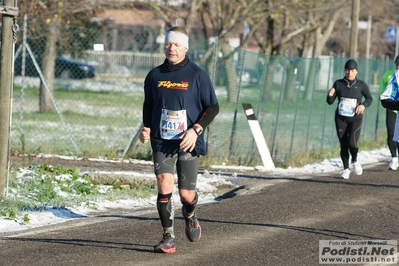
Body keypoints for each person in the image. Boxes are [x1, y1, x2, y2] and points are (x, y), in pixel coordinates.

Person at [139, 26, 219, 254]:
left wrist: (196, 129)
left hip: (187, 140)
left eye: (176, 44)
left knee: (186, 194)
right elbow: (149, 105)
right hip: (162, 139)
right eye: (168, 44)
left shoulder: (197, 75)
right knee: (164, 183)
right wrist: (145, 128)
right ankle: (168, 237)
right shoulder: (154, 75)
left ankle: (190, 213)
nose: (171, 48)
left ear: (185, 47)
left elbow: (213, 107)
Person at [326, 59, 373, 179]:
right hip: (341, 118)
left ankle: (355, 160)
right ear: (344, 71)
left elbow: (369, 98)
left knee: (352, 142)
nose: (349, 73)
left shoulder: (361, 85)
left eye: (352, 70)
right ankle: (346, 169)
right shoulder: (338, 83)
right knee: (344, 144)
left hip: (355, 118)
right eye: (347, 70)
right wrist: (330, 95)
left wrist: (363, 105)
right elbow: (330, 102)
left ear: (356, 71)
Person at [379, 55, 399, 170]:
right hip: (393, 110)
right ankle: (394, 157)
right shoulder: (394, 76)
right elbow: (384, 97)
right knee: (391, 133)